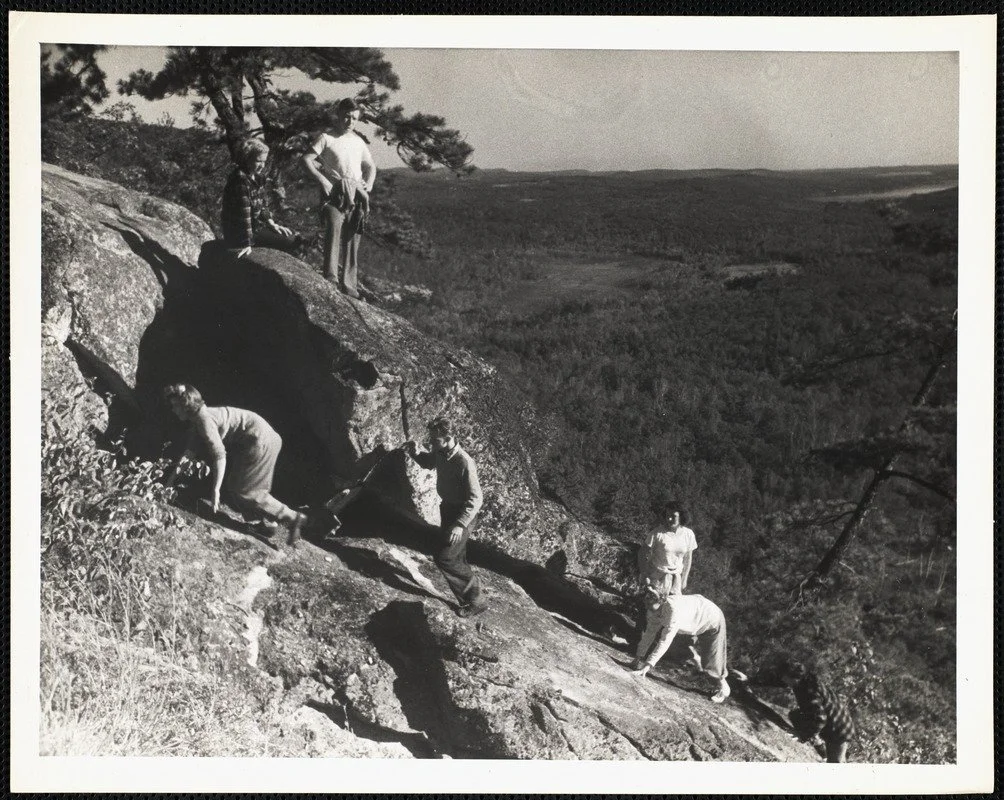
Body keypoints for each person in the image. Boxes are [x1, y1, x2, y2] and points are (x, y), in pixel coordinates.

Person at [163, 384, 308, 547]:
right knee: (235, 486)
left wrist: (215, 489)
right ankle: (265, 524)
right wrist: (170, 482)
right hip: (259, 440)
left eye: (175, 406)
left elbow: (220, 456)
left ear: (186, 406)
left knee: (248, 492)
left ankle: (293, 518)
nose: (173, 410)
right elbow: (188, 454)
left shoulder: (205, 421)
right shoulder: (199, 420)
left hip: (261, 441)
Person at [404, 417, 488, 618]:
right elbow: (428, 463)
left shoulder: (465, 462)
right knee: (455, 556)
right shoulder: (441, 452)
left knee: (445, 558)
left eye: (435, 440)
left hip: (463, 516)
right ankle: (473, 597)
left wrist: (460, 525)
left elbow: (477, 499)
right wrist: (414, 452)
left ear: (448, 438)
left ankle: (477, 601)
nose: (431, 443)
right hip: (448, 510)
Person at [301, 98, 377, 298]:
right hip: (334, 194)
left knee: (353, 238)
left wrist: (367, 185)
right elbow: (307, 159)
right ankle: (331, 279)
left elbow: (370, 166)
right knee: (334, 228)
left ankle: (350, 285)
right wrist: (322, 180)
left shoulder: (358, 142)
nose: (350, 121)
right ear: (338, 114)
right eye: (346, 116)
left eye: (354, 118)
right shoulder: (327, 138)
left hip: (356, 195)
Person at [627, 593, 731, 703]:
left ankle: (724, 689)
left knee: (712, 660)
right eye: (646, 603)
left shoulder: (673, 612)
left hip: (712, 617)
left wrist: (646, 667)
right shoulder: (653, 609)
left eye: (649, 603)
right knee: (678, 648)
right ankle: (697, 667)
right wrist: (638, 658)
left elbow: (665, 641)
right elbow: (649, 633)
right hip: (692, 618)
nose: (646, 606)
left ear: (661, 602)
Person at [220, 137, 299, 258]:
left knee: (292, 235)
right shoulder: (240, 180)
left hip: (254, 227)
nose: (262, 166)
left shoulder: (258, 178)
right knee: (290, 240)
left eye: (264, 161)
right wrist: (246, 243)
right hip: (238, 233)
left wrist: (272, 224)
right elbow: (244, 214)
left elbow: (262, 205)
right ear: (247, 159)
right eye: (258, 161)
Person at [780, 660, 855, 763]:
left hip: (839, 730)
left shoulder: (810, 690)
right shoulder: (804, 680)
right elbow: (777, 681)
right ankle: (820, 747)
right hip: (834, 722)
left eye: (785, 678)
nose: (783, 680)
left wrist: (803, 736)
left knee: (835, 764)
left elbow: (820, 719)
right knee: (795, 715)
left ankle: (825, 752)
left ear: (795, 678)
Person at [637, 500, 697, 600]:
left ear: (681, 516)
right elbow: (642, 553)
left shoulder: (688, 534)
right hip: (657, 577)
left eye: (673, 516)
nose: (669, 519)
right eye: (667, 515)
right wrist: (644, 574)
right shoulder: (657, 533)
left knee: (671, 610)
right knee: (654, 609)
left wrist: (684, 579)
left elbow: (688, 558)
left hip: (676, 580)